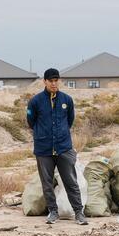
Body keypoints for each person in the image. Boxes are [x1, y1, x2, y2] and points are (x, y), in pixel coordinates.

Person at [26, 68, 88, 225]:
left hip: (63, 147)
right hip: (44, 148)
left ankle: (78, 213)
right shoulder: (35, 101)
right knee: (47, 183)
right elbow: (31, 122)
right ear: (45, 82)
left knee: (71, 181)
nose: (54, 84)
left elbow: (70, 121)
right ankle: (53, 212)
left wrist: (60, 135)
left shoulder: (67, 100)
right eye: (51, 81)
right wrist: (43, 134)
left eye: (56, 80)